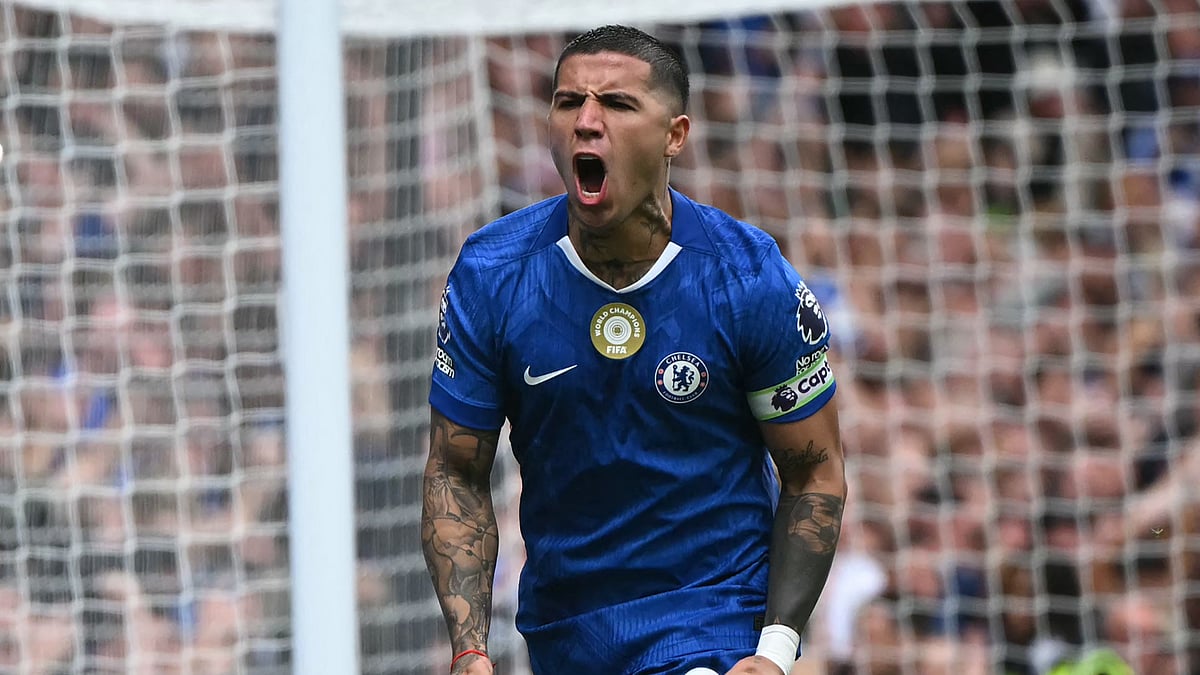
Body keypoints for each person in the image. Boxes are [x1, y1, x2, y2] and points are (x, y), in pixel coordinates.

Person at [422, 24, 847, 675]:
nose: (586, 122)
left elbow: (814, 472)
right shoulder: (493, 273)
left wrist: (775, 649)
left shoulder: (746, 276)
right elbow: (456, 469)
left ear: (675, 133)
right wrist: (471, 648)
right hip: (564, 631)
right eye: (568, 103)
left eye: (616, 104)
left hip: (709, 619)